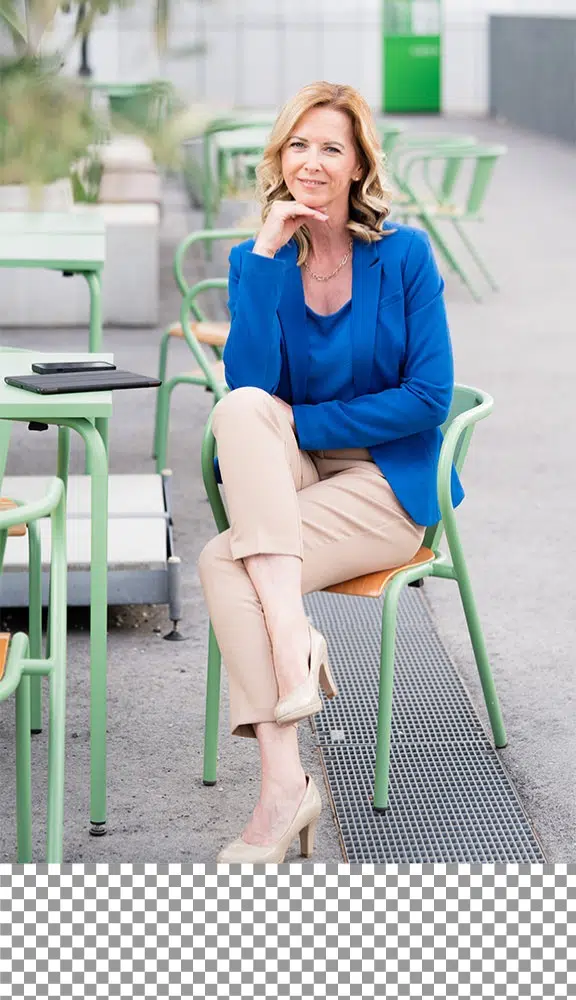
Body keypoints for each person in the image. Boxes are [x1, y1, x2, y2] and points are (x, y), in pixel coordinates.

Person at [198, 81, 464, 864]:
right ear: (280, 158)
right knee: (242, 407)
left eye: (332, 148)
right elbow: (248, 383)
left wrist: (308, 424)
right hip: (298, 476)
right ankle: (292, 643)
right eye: (299, 145)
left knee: (224, 559)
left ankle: (283, 789)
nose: (312, 162)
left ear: (358, 167)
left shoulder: (405, 255)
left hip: (385, 484)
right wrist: (269, 258)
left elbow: (428, 397)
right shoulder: (261, 258)